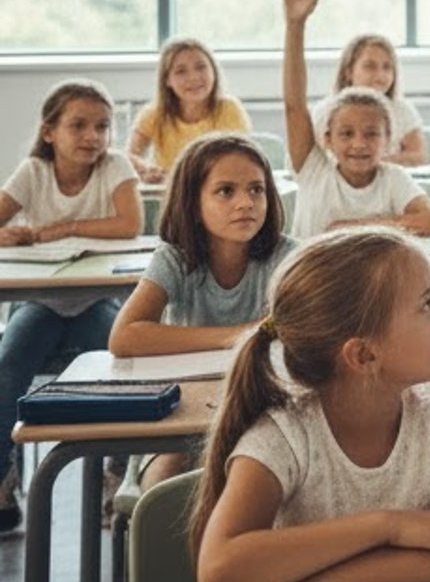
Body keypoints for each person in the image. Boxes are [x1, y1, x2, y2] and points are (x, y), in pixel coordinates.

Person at [189, 228, 430, 582]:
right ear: (364, 354)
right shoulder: (285, 434)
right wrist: (387, 526)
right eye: (427, 302)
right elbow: (219, 572)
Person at [108, 132, 296, 484]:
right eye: (226, 191)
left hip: (263, 406)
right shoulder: (174, 258)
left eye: (256, 190)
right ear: (193, 204)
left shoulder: (287, 256)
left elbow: (303, 332)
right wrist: (241, 334)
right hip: (181, 409)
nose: (246, 203)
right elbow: (124, 337)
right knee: (164, 480)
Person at [0, 80, 141, 532]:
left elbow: (129, 224)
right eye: (78, 125)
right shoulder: (33, 173)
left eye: (102, 126)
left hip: (94, 302)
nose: (92, 136)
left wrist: (62, 228)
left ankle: (118, 472)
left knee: (126, 366)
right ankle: (4, 476)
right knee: (7, 367)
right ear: (49, 132)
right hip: (39, 305)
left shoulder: (115, 166)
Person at [279, 0, 430, 241]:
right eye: (346, 133)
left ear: (389, 140)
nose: (359, 144)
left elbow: (428, 220)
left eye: (371, 134)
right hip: (313, 281)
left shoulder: (393, 178)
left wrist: (360, 226)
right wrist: (296, 26)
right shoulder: (313, 170)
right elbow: (294, 104)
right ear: (327, 140)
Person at [128, 37, 251, 184]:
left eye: (201, 67)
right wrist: (146, 169)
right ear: (167, 80)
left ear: (213, 71)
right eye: (181, 71)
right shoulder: (154, 113)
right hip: (170, 196)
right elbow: (129, 155)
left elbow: (241, 159)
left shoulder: (230, 109)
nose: (193, 77)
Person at [333, 33, 427, 167]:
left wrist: (373, 163)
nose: (380, 76)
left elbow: (418, 156)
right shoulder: (330, 110)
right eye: (369, 66)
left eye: (387, 67)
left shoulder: (402, 109)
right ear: (348, 71)